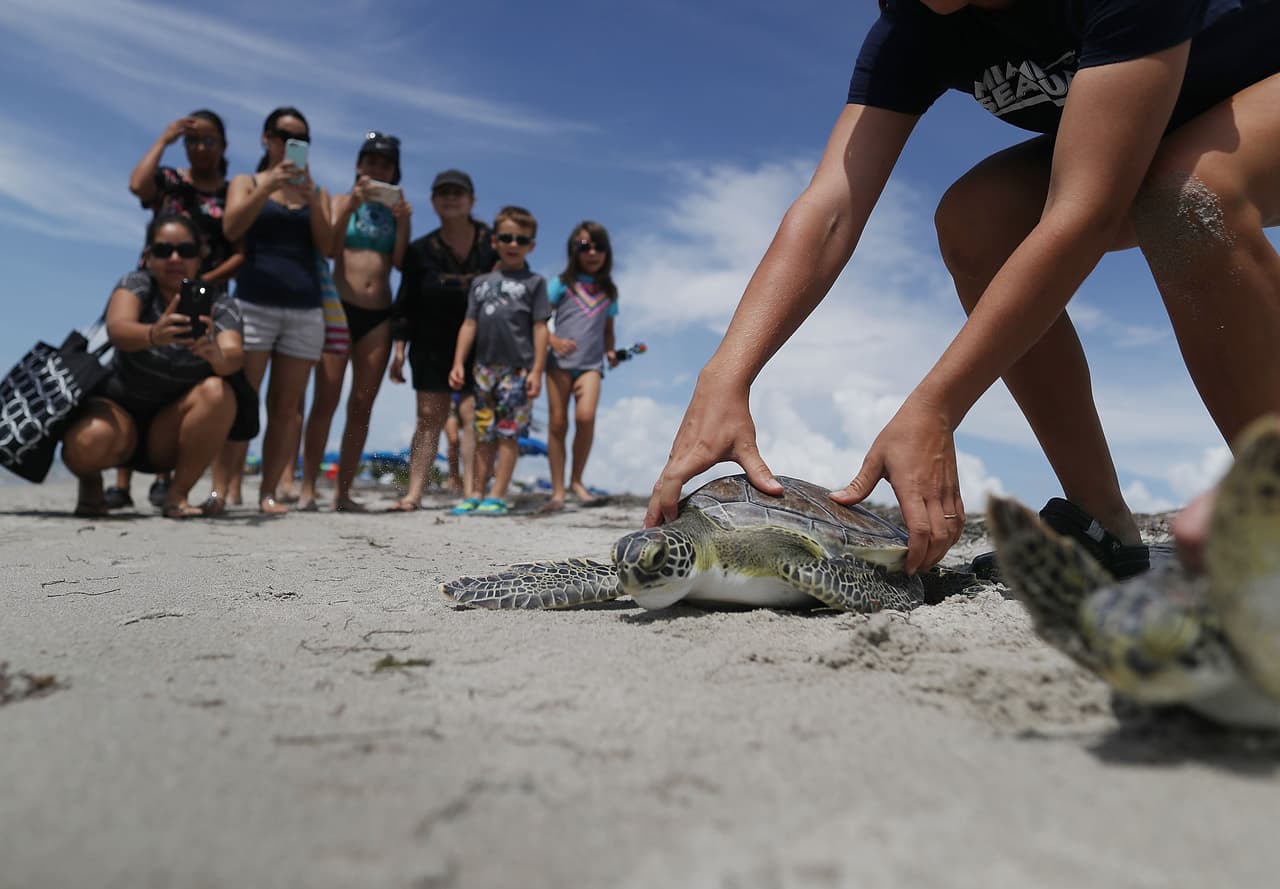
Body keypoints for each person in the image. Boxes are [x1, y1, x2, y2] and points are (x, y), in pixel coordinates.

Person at [648, 0, 1280, 579]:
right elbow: (831, 207)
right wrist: (727, 373)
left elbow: (1082, 214)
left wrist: (937, 405)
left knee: (1188, 195)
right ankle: (1100, 528)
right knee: (977, 220)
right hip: (1171, 126)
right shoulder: (915, 26)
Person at [106, 109, 242, 512]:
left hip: (207, 294)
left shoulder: (230, 191)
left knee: (194, 377)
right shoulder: (170, 181)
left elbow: (242, 252)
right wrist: (164, 138)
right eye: (193, 140)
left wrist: (198, 280)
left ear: (224, 146)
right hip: (152, 290)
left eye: (210, 140)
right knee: (133, 367)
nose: (201, 147)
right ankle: (121, 481)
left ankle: (175, 483)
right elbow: (136, 185)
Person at [62, 214, 243, 518]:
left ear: (201, 256)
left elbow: (234, 355)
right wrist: (152, 334)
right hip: (118, 418)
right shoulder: (136, 284)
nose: (175, 258)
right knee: (87, 441)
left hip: (169, 432)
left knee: (217, 392)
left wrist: (215, 354)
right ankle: (91, 482)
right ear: (147, 256)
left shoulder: (221, 304)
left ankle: (177, 494)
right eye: (163, 250)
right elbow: (118, 329)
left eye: (185, 251)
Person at [217, 106, 332, 515]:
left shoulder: (315, 191)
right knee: (241, 398)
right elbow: (231, 228)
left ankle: (267, 491)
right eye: (284, 135)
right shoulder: (246, 182)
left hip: (304, 310)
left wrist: (313, 197)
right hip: (253, 303)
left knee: (285, 408)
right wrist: (267, 188)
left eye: (301, 139)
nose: (290, 145)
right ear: (266, 138)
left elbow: (329, 247)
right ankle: (224, 489)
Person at [292, 132, 411, 512]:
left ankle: (343, 492)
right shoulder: (340, 199)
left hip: (378, 313)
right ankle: (308, 487)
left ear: (395, 172)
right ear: (359, 165)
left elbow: (400, 263)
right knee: (325, 399)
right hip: (339, 307)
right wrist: (350, 206)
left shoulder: (396, 213)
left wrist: (404, 223)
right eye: (371, 162)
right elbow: (329, 247)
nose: (377, 168)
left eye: (385, 164)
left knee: (362, 404)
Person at [388, 169, 496, 512]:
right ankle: (414, 493)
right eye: (443, 193)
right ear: (433, 201)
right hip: (430, 342)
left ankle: (470, 491)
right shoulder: (421, 251)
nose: (451, 198)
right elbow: (405, 302)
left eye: (458, 192)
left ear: (472, 200)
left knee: (471, 414)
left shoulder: (494, 244)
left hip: (482, 343)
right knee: (428, 416)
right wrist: (399, 349)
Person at [448, 206, 550, 516]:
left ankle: (497, 494)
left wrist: (536, 371)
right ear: (495, 241)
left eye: (521, 239)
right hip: (482, 369)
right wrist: (458, 362)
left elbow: (540, 327)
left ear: (531, 245)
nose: (513, 244)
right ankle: (475, 492)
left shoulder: (535, 283)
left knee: (509, 433)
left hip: (517, 370)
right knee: (483, 432)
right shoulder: (480, 283)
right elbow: (469, 324)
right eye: (506, 237)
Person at [541, 221, 620, 512]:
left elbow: (608, 330)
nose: (592, 253)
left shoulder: (609, 291)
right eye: (585, 246)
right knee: (558, 423)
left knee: (585, 418)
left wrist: (611, 351)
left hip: (591, 364)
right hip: (558, 364)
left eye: (599, 247)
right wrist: (552, 340)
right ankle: (558, 491)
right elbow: (538, 319)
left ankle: (577, 481)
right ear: (573, 250)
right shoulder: (561, 284)